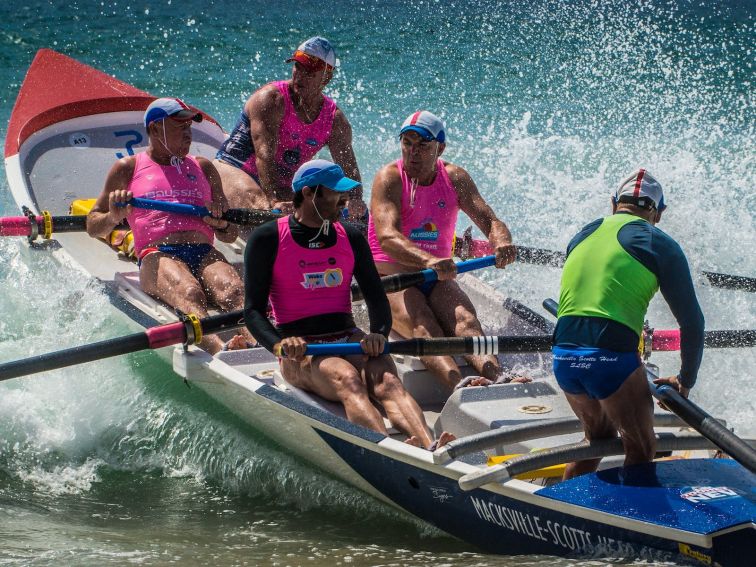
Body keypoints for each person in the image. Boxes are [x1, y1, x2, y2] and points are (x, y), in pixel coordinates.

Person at [244, 159, 451, 449]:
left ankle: (431, 447)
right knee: (348, 378)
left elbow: (375, 296)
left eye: (346, 192)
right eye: (336, 192)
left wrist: (378, 332)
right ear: (308, 194)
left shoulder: (351, 237)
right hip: (301, 349)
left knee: (389, 382)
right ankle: (389, 453)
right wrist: (280, 345)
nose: (345, 200)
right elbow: (252, 310)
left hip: (348, 337)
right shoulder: (268, 238)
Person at [552, 169, 705, 478]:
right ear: (658, 214)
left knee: (597, 442)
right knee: (641, 448)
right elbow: (693, 323)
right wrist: (685, 380)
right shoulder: (660, 243)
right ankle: (623, 523)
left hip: (562, 353)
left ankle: (566, 512)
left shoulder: (582, 234)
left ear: (613, 204)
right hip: (610, 357)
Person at [367, 111, 531, 391]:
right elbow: (388, 238)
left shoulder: (455, 178)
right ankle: (461, 387)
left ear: (440, 149)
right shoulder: (389, 178)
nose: (413, 153)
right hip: (390, 279)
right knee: (424, 322)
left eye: (422, 146)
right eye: (407, 143)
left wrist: (500, 241)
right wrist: (430, 259)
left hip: (435, 278)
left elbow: (490, 221)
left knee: (465, 319)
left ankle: (497, 379)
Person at [87, 97, 255, 354]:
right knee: (190, 292)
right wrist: (112, 217)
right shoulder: (128, 168)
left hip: (202, 252)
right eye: (180, 126)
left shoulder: (204, 167)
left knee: (233, 291)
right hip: (157, 255)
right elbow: (92, 226)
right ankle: (222, 352)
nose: (188, 133)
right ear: (155, 129)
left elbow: (231, 236)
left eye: (189, 126)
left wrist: (221, 225)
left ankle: (260, 345)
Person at [214, 36, 367, 221]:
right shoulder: (271, 100)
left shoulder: (335, 121)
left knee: (326, 212)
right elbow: (264, 157)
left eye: (309, 72)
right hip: (233, 169)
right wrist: (274, 200)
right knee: (269, 210)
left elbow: (349, 169)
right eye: (297, 67)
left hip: (279, 185)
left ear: (326, 78)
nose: (299, 76)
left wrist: (356, 200)